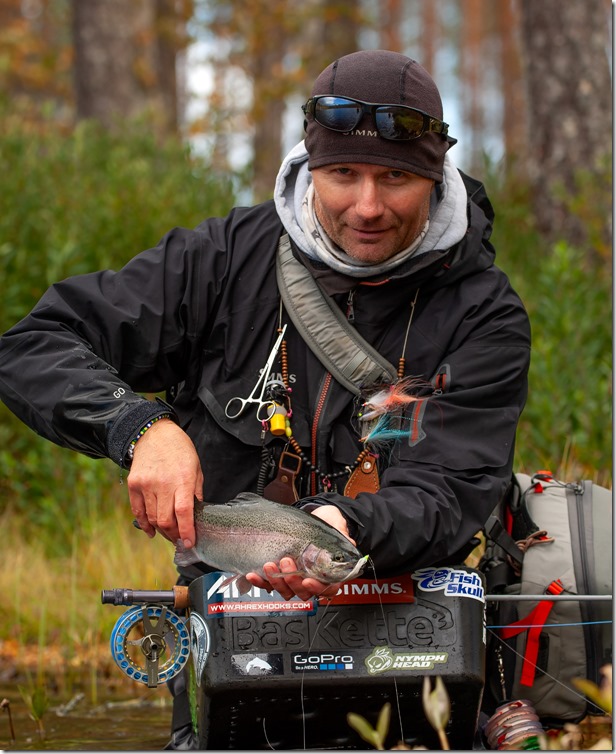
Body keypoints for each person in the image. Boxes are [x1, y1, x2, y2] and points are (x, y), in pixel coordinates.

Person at [0, 49, 530, 748]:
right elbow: (33, 344)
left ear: (436, 174)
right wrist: (139, 426)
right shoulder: (221, 261)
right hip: (231, 648)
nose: (367, 207)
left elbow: (452, 483)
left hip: (416, 652)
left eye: (396, 178)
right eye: (343, 174)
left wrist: (345, 526)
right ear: (312, 166)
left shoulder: (484, 314)